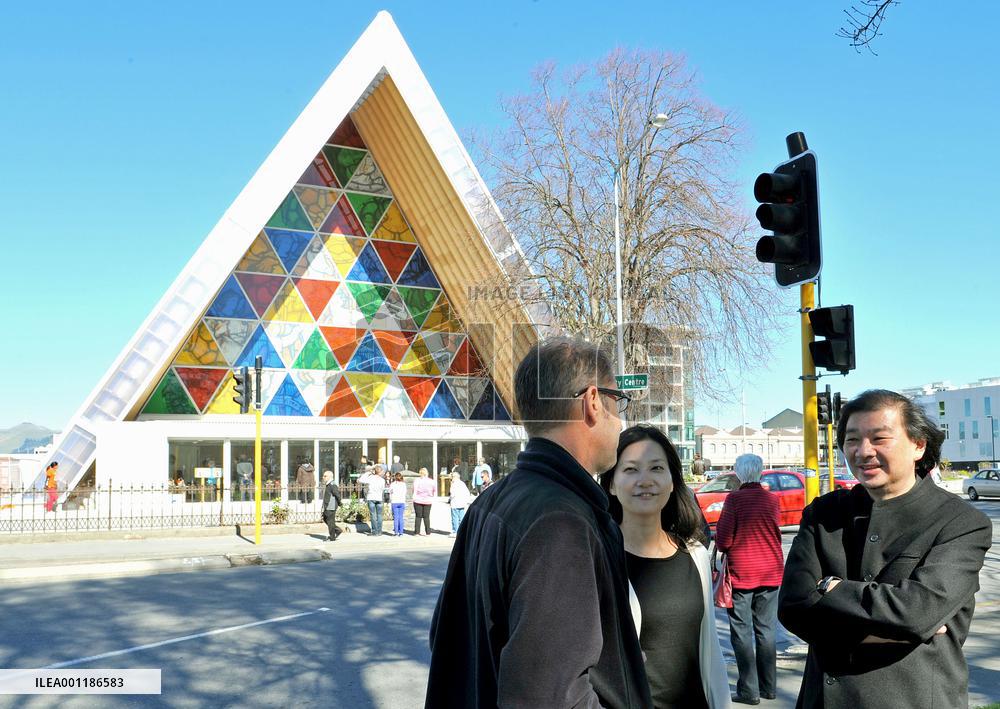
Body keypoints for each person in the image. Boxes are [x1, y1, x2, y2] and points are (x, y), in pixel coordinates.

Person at [426, 338, 652, 708]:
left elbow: (446, 637)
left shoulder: (490, 502)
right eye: (618, 401)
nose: (621, 421)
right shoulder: (561, 523)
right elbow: (550, 698)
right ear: (594, 402)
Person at [778, 389, 993, 709]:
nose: (864, 451)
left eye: (879, 438)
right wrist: (893, 628)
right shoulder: (824, 514)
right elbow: (793, 607)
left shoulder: (960, 522)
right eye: (852, 440)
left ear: (918, 445)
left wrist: (829, 590)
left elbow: (915, 613)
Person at [599, 424, 730, 708]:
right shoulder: (598, 560)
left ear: (672, 481)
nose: (645, 480)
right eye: (631, 469)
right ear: (611, 484)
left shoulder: (695, 555)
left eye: (656, 468)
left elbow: (711, 652)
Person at [715, 453, 784, 706]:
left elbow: (724, 541)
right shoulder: (772, 499)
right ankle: (769, 688)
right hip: (771, 571)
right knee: (766, 631)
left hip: (742, 574)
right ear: (760, 471)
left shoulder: (734, 499)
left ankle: (749, 691)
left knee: (742, 632)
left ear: (738, 473)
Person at [359, 464, 387, 536]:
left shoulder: (370, 478)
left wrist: (368, 472)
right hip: (379, 498)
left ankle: (374, 531)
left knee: (373, 515)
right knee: (379, 515)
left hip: (371, 497)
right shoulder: (382, 480)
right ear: (380, 472)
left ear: (374, 471)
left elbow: (361, 479)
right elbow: (383, 489)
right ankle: (379, 531)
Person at [412, 467, 435, 536]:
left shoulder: (417, 480)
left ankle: (417, 532)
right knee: (426, 517)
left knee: (418, 516)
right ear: (427, 473)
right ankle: (428, 532)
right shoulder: (431, 481)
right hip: (428, 500)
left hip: (418, 500)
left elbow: (414, 490)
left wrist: (414, 497)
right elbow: (434, 490)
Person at [447, 472, 471, 537]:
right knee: (461, 518)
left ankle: (455, 531)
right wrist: (467, 501)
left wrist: (449, 499)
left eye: (452, 477)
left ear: (454, 477)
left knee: (455, 518)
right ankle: (462, 531)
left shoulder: (454, 484)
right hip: (462, 503)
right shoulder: (462, 483)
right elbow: (467, 493)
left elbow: (452, 494)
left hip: (455, 503)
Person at [320, 471, 341, 541]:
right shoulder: (328, 484)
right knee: (325, 519)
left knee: (330, 521)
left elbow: (337, 494)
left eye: (325, 476)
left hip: (331, 506)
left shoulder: (332, 485)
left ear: (330, 477)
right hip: (328, 506)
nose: (323, 477)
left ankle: (332, 537)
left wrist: (339, 503)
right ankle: (337, 530)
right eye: (323, 476)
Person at [389, 472, 407, 537]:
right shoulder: (403, 484)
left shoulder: (392, 484)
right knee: (401, 517)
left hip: (394, 501)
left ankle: (396, 532)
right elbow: (405, 493)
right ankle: (401, 532)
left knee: (396, 518)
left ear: (395, 477)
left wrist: (391, 500)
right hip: (401, 501)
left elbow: (390, 492)